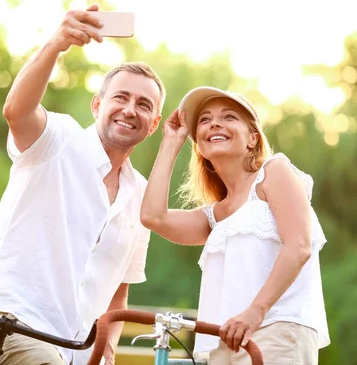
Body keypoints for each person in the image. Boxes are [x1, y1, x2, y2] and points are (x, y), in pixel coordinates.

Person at [0, 5, 165, 365]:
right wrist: (57, 43)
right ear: (97, 105)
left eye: (143, 104)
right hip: (5, 323)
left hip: (70, 352)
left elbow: (118, 293)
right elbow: (16, 112)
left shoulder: (141, 196)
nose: (130, 109)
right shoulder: (59, 139)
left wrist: (106, 355)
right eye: (120, 97)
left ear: (154, 124)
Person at [140, 86, 330, 364]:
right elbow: (153, 217)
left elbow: (299, 246)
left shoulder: (274, 172)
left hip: (275, 331)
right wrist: (171, 142)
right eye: (204, 120)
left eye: (229, 117)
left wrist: (255, 312)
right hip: (225, 342)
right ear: (200, 147)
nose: (214, 123)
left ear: (253, 138)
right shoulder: (215, 216)